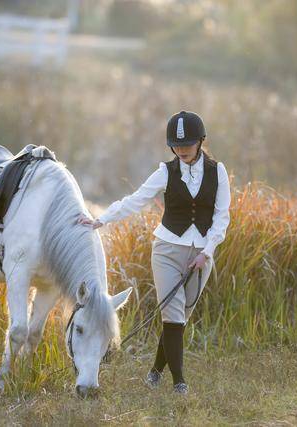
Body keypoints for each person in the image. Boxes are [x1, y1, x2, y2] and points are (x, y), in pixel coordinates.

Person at [77, 110, 231, 394]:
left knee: (180, 319)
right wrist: (101, 219)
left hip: (201, 255)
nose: (182, 150)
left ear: (201, 142)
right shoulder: (165, 172)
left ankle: (155, 371)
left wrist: (206, 252)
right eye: (177, 145)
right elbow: (136, 200)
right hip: (167, 250)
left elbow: (222, 217)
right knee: (172, 316)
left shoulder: (217, 172)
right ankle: (180, 383)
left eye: (187, 144)